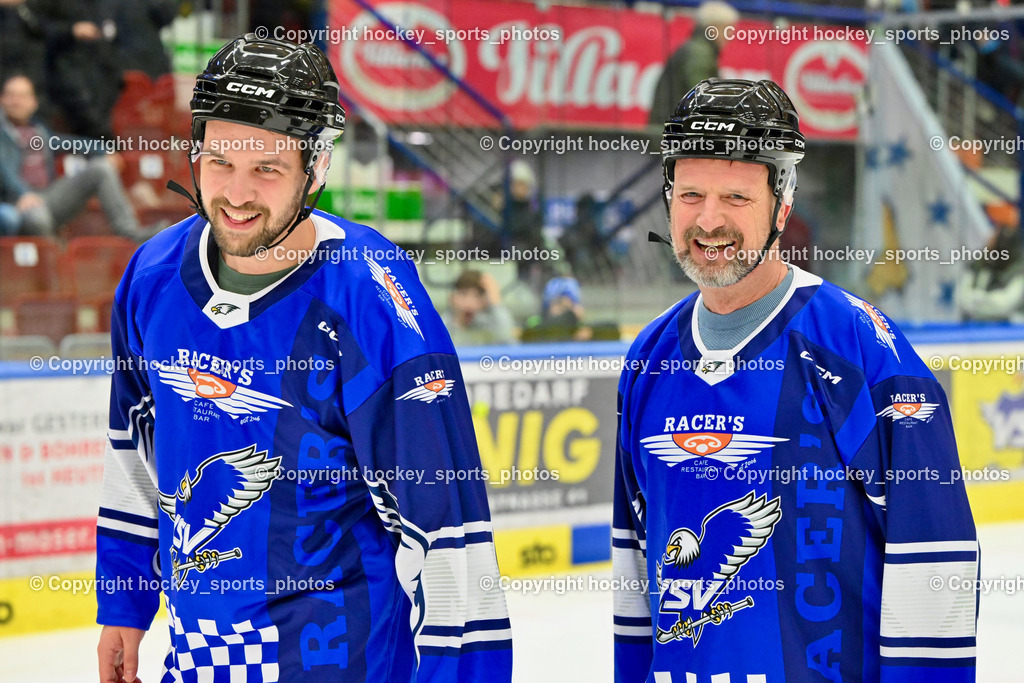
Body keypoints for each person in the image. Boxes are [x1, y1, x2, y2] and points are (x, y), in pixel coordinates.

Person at [95, 34, 511, 683]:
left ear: (315, 169)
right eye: (220, 161)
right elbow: (134, 448)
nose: (235, 193)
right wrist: (123, 598)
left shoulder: (371, 299)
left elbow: (448, 535)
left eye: (267, 168)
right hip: (202, 658)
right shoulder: (151, 276)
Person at [614, 79, 978, 682]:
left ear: (782, 204)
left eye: (736, 196)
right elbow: (635, 577)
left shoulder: (858, 349)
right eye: (690, 193)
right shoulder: (649, 359)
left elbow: (933, 558)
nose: (708, 220)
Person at [0, 74, 141, 238]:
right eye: (11, 96)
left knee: (102, 168)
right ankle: (54, 258)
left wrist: (104, 150)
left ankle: (131, 234)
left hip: (49, 197)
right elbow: (5, 171)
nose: (16, 102)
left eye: (22, 96)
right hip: (17, 202)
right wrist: (22, 193)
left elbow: (70, 143)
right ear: (2, 100)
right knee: (38, 218)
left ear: (33, 103)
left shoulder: (40, 132)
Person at [648, 1, 738, 127]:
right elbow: (704, 98)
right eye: (728, 29)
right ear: (713, 28)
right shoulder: (699, 54)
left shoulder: (698, 49)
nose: (730, 36)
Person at [443, 269, 515, 346]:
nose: (469, 303)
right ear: (453, 298)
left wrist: (495, 302)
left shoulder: (488, 324)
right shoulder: (444, 324)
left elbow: (506, 336)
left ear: (484, 302)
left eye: (476, 296)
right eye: (464, 294)